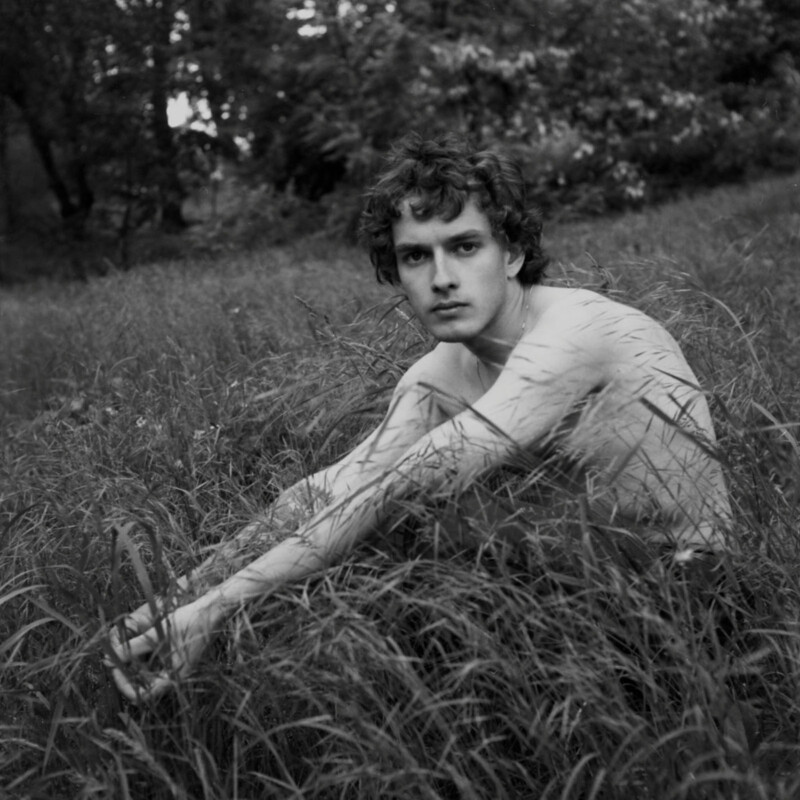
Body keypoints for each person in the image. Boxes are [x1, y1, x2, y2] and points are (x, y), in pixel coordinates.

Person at [107, 132, 732, 702]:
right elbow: (332, 488)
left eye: (464, 247)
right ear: (396, 271)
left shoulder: (574, 335)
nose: (441, 279)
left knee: (412, 536)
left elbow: (398, 484)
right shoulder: (439, 374)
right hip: (582, 586)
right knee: (407, 568)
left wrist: (218, 610)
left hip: (694, 593)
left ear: (510, 254)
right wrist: (182, 596)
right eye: (415, 257)